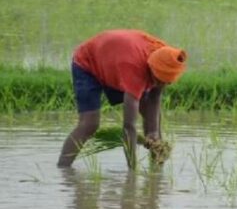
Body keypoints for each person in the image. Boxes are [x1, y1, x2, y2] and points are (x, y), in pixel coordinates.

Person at [57, 29, 187, 169]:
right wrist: (132, 172)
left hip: (115, 61)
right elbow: (129, 127)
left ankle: (156, 167)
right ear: (151, 69)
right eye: (158, 80)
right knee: (89, 124)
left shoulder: (167, 57)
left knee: (149, 113)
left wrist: (153, 133)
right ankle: (63, 169)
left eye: (165, 82)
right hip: (89, 62)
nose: (160, 85)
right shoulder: (134, 69)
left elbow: (154, 98)